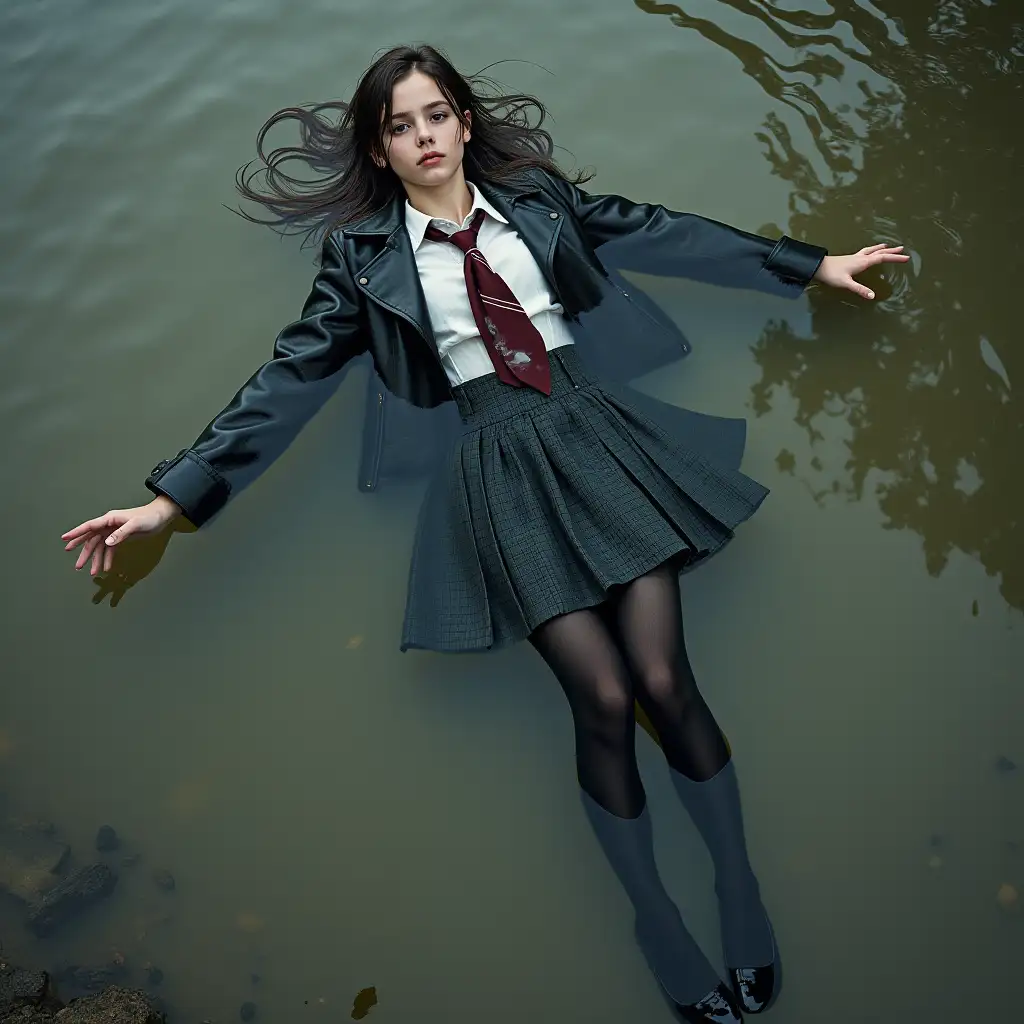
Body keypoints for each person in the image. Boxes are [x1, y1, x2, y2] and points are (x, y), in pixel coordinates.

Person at [61, 44, 909, 1022]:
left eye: (434, 115)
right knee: (600, 696)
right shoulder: (364, 261)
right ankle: (653, 917)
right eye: (398, 125)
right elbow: (286, 379)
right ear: (379, 153)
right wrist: (171, 498)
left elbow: (660, 233)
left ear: (464, 123)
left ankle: (737, 889)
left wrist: (810, 264)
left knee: (665, 680)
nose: (421, 136)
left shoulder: (537, 198)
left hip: (596, 432)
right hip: (495, 463)